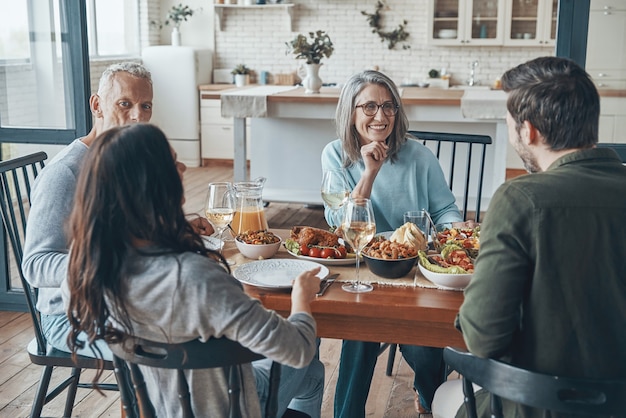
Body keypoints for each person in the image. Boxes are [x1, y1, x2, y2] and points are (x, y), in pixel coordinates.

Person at [64, 123, 325, 417]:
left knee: (310, 371)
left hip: (155, 405)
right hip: (230, 409)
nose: (184, 167)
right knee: (310, 356)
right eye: (172, 162)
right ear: (150, 184)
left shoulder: (87, 265)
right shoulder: (195, 279)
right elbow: (298, 349)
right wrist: (302, 297)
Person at [431, 56, 626, 418]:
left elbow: (483, 338)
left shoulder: (519, 199)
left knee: (444, 395)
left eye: (510, 124)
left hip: (542, 406)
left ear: (530, 130)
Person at [21, 62, 212, 361]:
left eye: (145, 106)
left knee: (208, 330)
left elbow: (125, 232)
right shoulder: (65, 174)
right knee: (187, 352)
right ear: (97, 105)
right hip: (71, 318)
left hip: (126, 301)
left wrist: (176, 226)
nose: (138, 116)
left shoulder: (126, 162)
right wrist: (107, 262)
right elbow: (35, 265)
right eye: (125, 103)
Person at [321, 70, 463, 417]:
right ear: (351, 111)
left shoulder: (419, 156)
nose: (381, 117)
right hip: (363, 272)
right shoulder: (335, 155)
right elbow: (341, 226)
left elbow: (445, 209)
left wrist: (455, 232)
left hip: (417, 270)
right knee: (359, 335)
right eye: (369, 106)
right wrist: (369, 172)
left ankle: (431, 403)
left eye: (388, 106)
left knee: (428, 349)